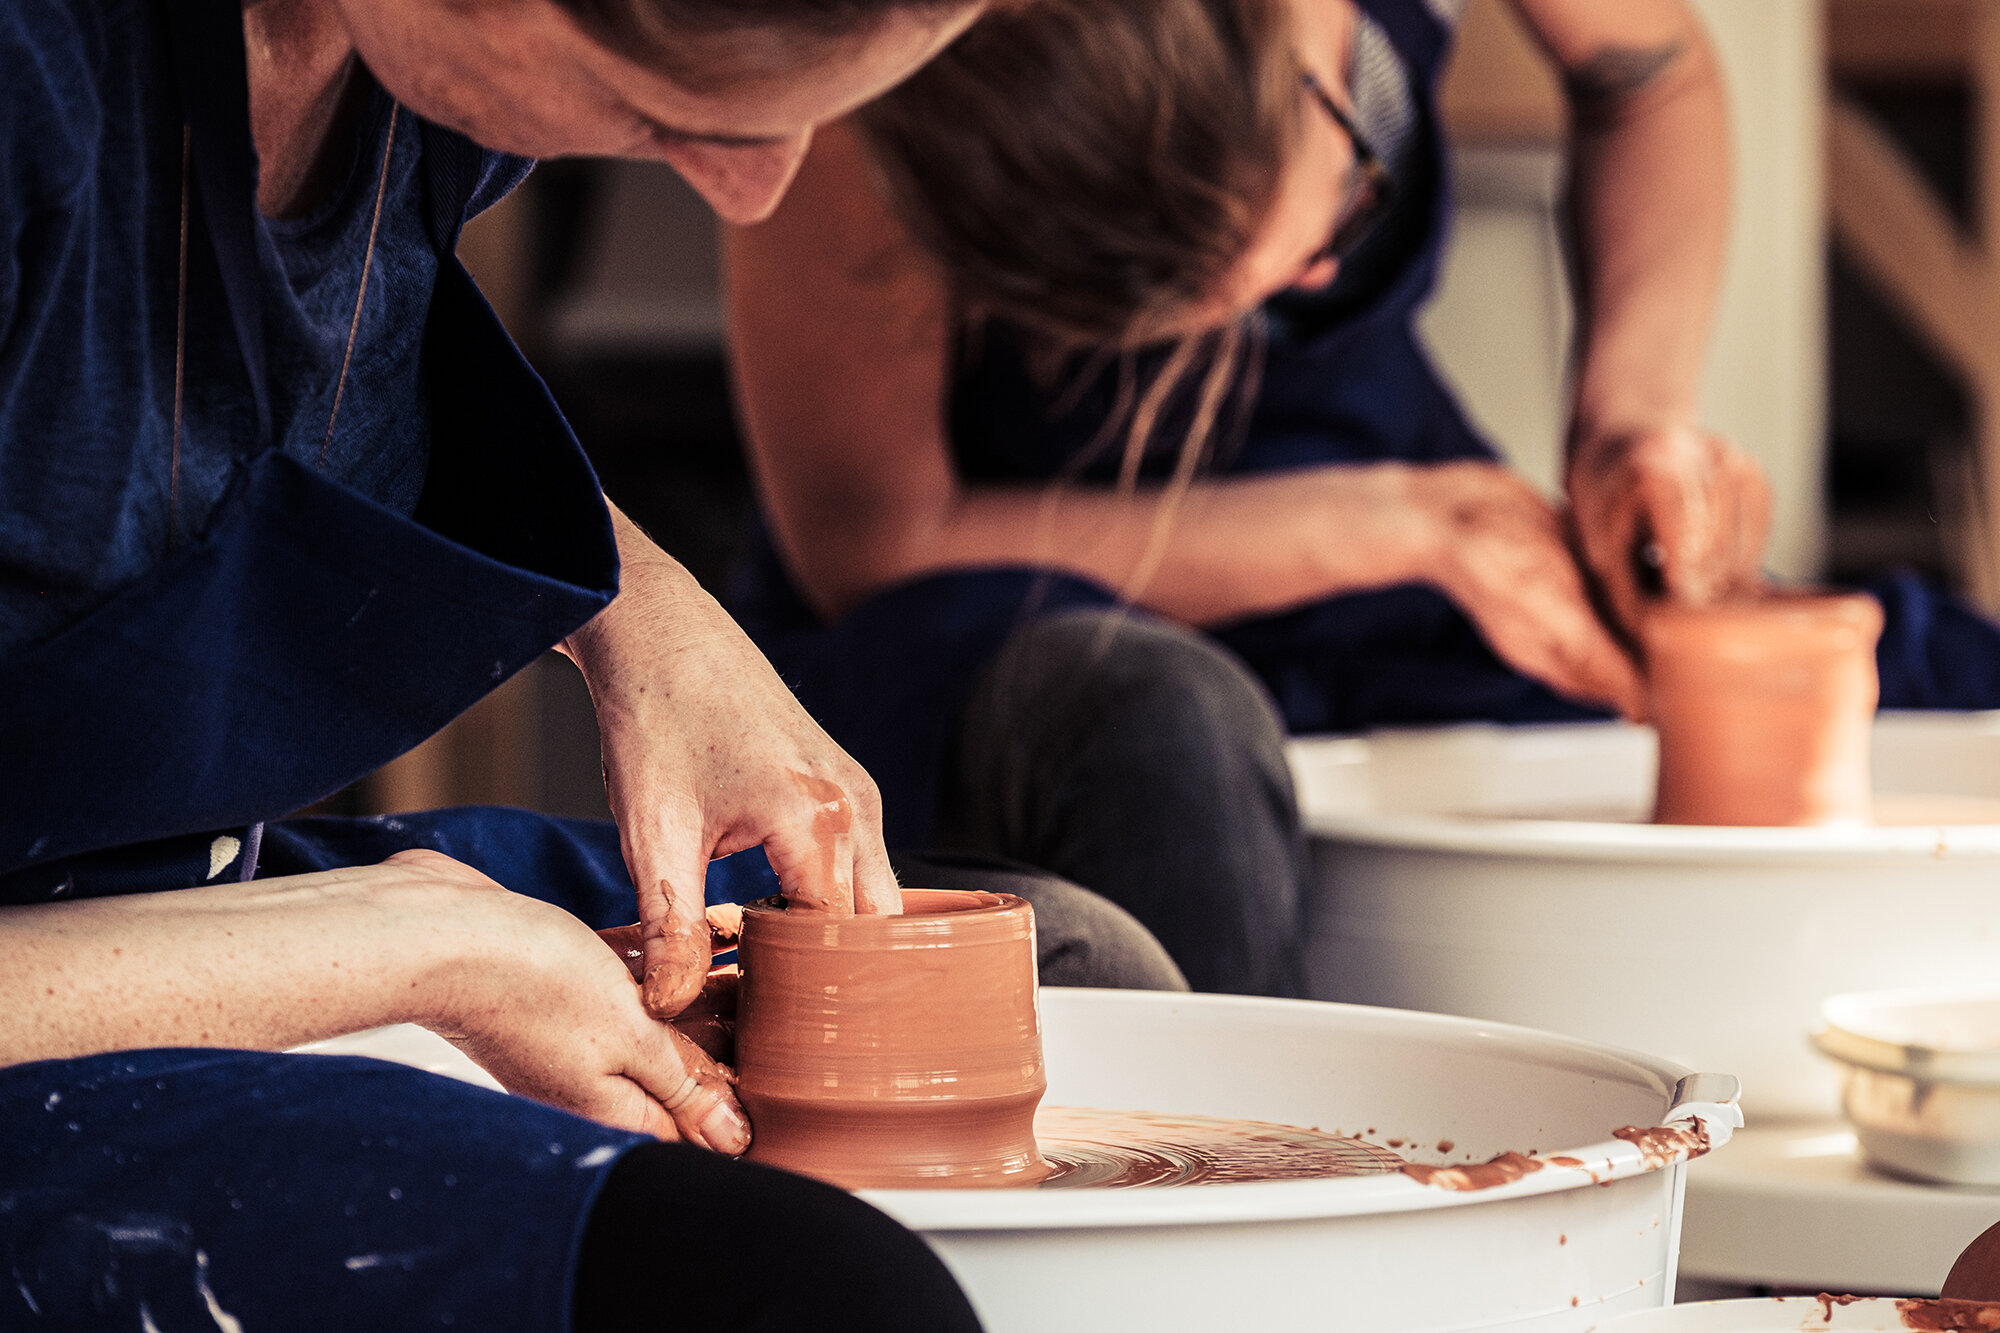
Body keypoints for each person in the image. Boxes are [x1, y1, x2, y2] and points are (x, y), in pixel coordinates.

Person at [0, 0, 1182, 1327]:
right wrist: (410, 950)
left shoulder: (409, 78)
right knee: (807, 1296)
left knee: (1080, 972)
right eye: (676, 101)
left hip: (193, 871)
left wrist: (644, 620)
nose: (757, 186)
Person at [724, 0, 2000, 997]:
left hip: (1395, 520)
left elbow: (1646, 72)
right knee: (1168, 746)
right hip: (1019, 594)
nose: (1327, 264)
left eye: (1342, 185)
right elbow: (874, 537)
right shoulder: (861, 83)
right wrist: (1399, 527)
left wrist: (1629, 417)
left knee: (1931, 671)